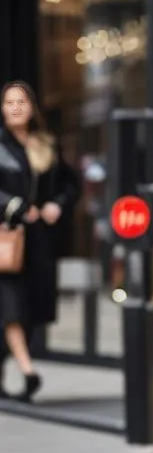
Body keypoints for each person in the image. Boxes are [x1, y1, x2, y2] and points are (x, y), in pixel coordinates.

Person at [0, 80, 79, 402]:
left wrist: (56, 205)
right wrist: (16, 206)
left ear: (31, 107)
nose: (15, 108)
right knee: (11, 307)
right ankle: (29, 372)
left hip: (38, 242)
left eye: (21, 102)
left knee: (30, 309)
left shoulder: (46, 143)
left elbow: (70, 184)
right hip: (5, 240)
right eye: (9, 102)